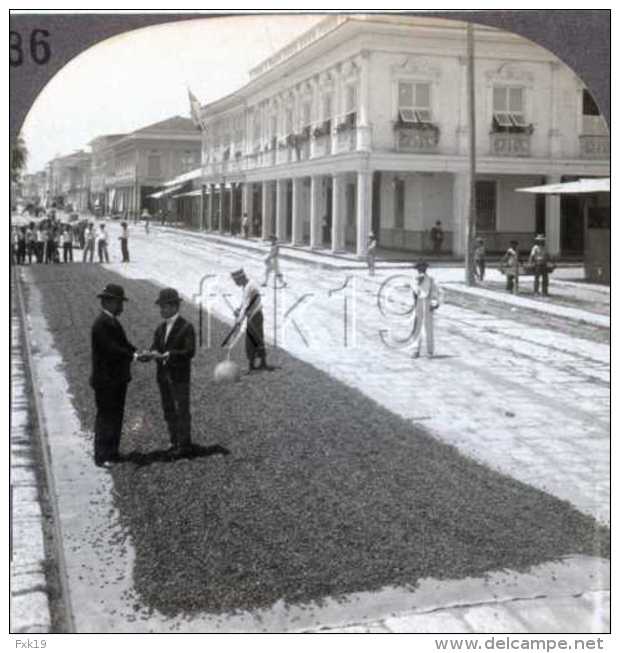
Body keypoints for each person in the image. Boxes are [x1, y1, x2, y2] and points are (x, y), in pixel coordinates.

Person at [89, 284, 137, 467]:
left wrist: (139, 353)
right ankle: (102, 456)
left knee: (115, 416)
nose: (121, 307)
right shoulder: (102, 323)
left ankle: (112, 452)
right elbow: (113, 350)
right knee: (106, 417)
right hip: (106, 380)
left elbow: (124, 345)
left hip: (115, 379)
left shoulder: (110, 321)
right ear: (109, 302)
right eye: (119, 303)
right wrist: (134, 355)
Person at [146, 288, 196, 458]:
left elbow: (189, 352)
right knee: (168, 409)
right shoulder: (160, 327)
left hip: (179, 377)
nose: (161, 310)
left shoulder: (186, 327)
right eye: (160, 307)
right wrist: (150, 353)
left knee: (181, 410)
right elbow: (155, 346)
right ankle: (174, 440)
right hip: (162, 376)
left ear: (175, 307)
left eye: (164, 306)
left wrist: (167, 355)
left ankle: (185, 445)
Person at [232, 268, 270, 372]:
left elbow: (246, 307)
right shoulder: (246, 285)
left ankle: (253, 366)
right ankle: (261, 363)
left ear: (240, 278)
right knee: (257, 339)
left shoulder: (250, 287)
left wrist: (238, 321)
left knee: (251, 341)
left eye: (235, 281)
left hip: (255, 316)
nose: (235, 283)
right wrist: (238, 309)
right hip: (254, 315)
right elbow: (244, 303)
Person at [411, 261, 440, 359]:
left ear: (425, 269)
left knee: (428, 327)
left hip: (428, 303)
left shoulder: (431, 280)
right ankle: (415, 350)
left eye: (423, 268)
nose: (421, 270)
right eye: (419, 269)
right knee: (417, 327)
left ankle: (430, 351)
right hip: (419, 302)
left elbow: (435, 292)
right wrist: (418, 283)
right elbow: (414, 292)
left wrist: (434, 303)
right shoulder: (415, 279)